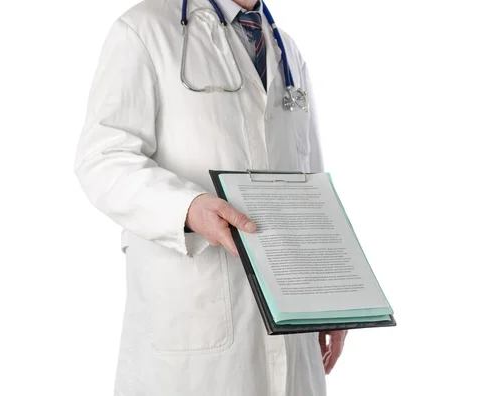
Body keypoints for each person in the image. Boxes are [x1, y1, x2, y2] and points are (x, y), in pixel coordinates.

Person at [74, 0, 347, 394]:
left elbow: (310, 183)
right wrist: (187, 208)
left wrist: (329, 294)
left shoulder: (284, 48)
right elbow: (103, 159)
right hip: (196, 321)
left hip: (289, 315)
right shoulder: (145, 31)